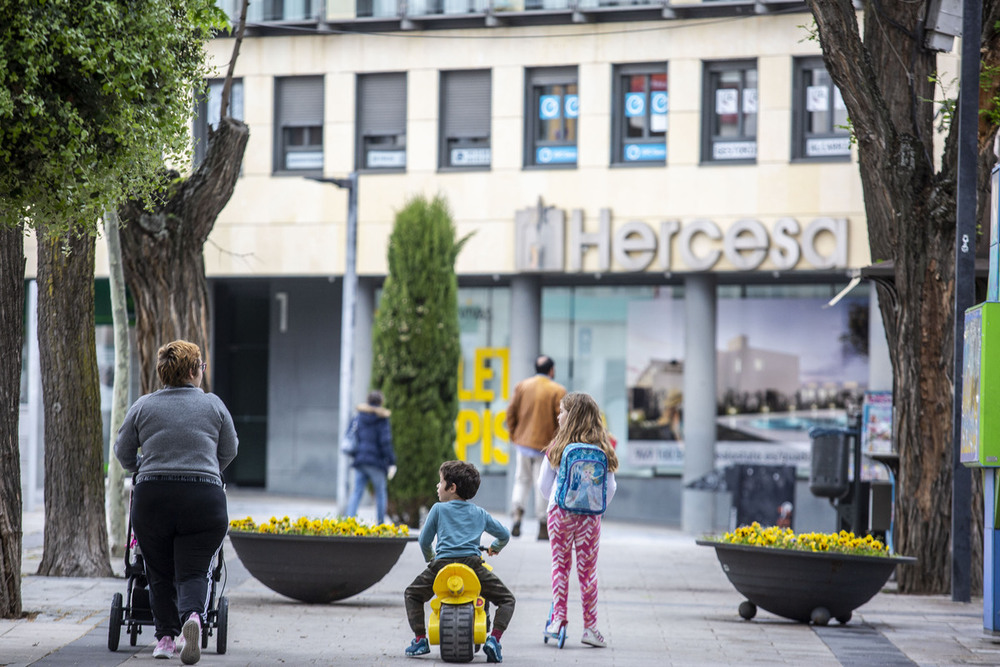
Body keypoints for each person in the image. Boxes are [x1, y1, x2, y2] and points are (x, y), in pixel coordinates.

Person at [114, 340, 238, 665]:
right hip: (204, 499)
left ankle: (165, 639)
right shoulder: (214, 406)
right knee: (195, 570)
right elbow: (230, 449)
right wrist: (209, 469)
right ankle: (193, 620)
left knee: (158, 572)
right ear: (195, 370)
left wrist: (141, 467)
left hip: (154, 497)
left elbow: (122, 451)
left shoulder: (143, 406)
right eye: (202, 367)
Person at [403, 461, 515, 663]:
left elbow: (424, 540)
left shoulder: (438, 509)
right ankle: (494, 640)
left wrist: (431, 559)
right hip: (472, 566)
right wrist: (495, 548)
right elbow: (504, 535)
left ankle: (420, 639)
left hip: (442, 566)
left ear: (452, 488)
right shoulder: (479, 513)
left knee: (412, 594)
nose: (438, 486)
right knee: (507, 600)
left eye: (441, 482)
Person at [538, 392, 619, 649]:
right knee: (588, 573)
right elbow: (611, 488)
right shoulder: (603, 450)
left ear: (571, 416)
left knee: (560, 567)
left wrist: (556, 501)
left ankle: (558, 621)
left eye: (562, 411)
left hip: (559, 514)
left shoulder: (557, 449)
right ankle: (591, 628)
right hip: (590, 519)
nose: (558, 415)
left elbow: (543, 486)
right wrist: (594, 507)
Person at [505, 354, 566, 540]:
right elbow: (562, 420)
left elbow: (510, 413)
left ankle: (517, 515)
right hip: (546, 447)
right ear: (552, 370)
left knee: (521, 480)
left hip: (522, 445)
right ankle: (542, 524)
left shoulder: (522, 386)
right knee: (543, 483)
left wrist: (515, 435)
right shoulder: (558, 390)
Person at [344, 390, 397, 525]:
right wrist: (391, 461)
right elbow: (385, 442)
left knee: (356, 492)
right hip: (376, 463)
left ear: (368, 401)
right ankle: (380, 525)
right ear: (380, 402)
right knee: (380, 494)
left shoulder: (359, 417)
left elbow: (351, 435)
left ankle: (348, 523)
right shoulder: (382, 419)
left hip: (360, 461)